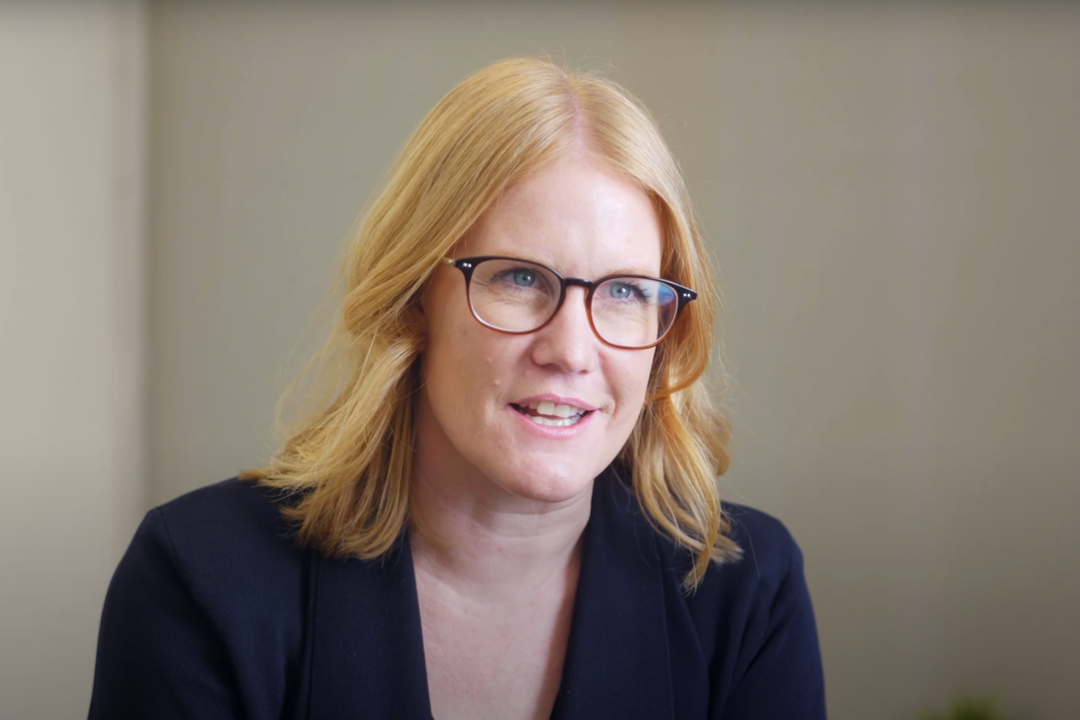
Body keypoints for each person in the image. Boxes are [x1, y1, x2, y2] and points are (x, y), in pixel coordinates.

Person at [89, 57, 826, 720]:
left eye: (627, 292)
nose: (572, 350)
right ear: (415, 300)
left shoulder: (746, 593)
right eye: (520, 278)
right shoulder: (201, 580)